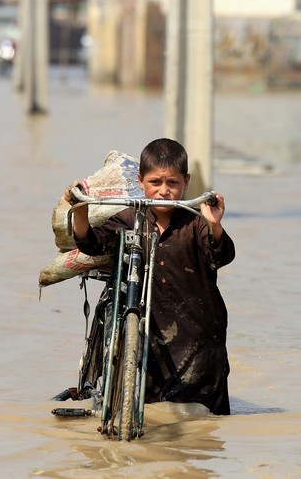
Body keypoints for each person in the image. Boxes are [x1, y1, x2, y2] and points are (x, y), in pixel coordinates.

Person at [65, 138, 236, 415]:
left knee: (204, 426)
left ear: (186, 182)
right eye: (156, 182)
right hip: (147, 340)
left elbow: (222, 255)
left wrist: (215, 225)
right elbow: (91, 244)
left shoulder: (196, 224)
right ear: (141, 180)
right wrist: (80, 210)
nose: (164, 191)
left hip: (198, 340)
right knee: (150, 419)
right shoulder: (127, 219)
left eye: (173, 183)